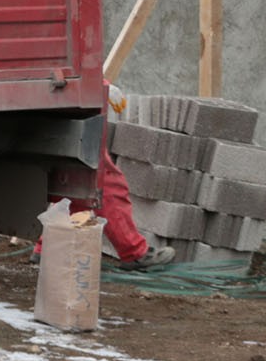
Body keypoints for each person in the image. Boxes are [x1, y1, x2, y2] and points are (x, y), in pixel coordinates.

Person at [36, 83, 173, 270]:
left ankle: (46, 249)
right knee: (104, 182)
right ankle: (134, 253)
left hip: (45, 102)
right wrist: (100, 84)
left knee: (72, 182)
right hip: (62, 98)